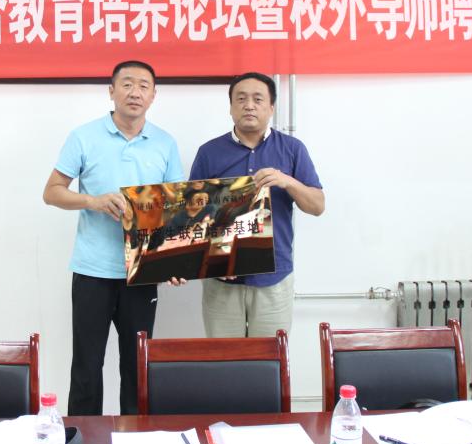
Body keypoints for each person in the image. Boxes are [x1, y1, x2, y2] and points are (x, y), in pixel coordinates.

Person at [42, 60, 184, 415]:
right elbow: (52, 192)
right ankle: (83, 440)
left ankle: (135, 439)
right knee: (87, 366)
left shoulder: (165, 143)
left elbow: (176, 209)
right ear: (111, 91)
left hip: (143, 272)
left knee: (137, 367)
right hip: (92, 270)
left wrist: (176, 260)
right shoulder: (83, 137)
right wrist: (92, 201)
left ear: (153, 95)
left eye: (144, 86)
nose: (135, 92)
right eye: (127, 84)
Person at [189, 72, 324, 338]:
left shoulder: (292, 149)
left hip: (275, 277)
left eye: (258, 99)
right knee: (224, 358)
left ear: (271, 107)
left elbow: (317, 206)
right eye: (241, 99)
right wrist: (213, 259)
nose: (249, 105)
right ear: (231, 107)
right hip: (222, 280)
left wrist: (287, 182)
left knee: (270, 358)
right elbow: (192, 215)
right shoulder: (209, 152)